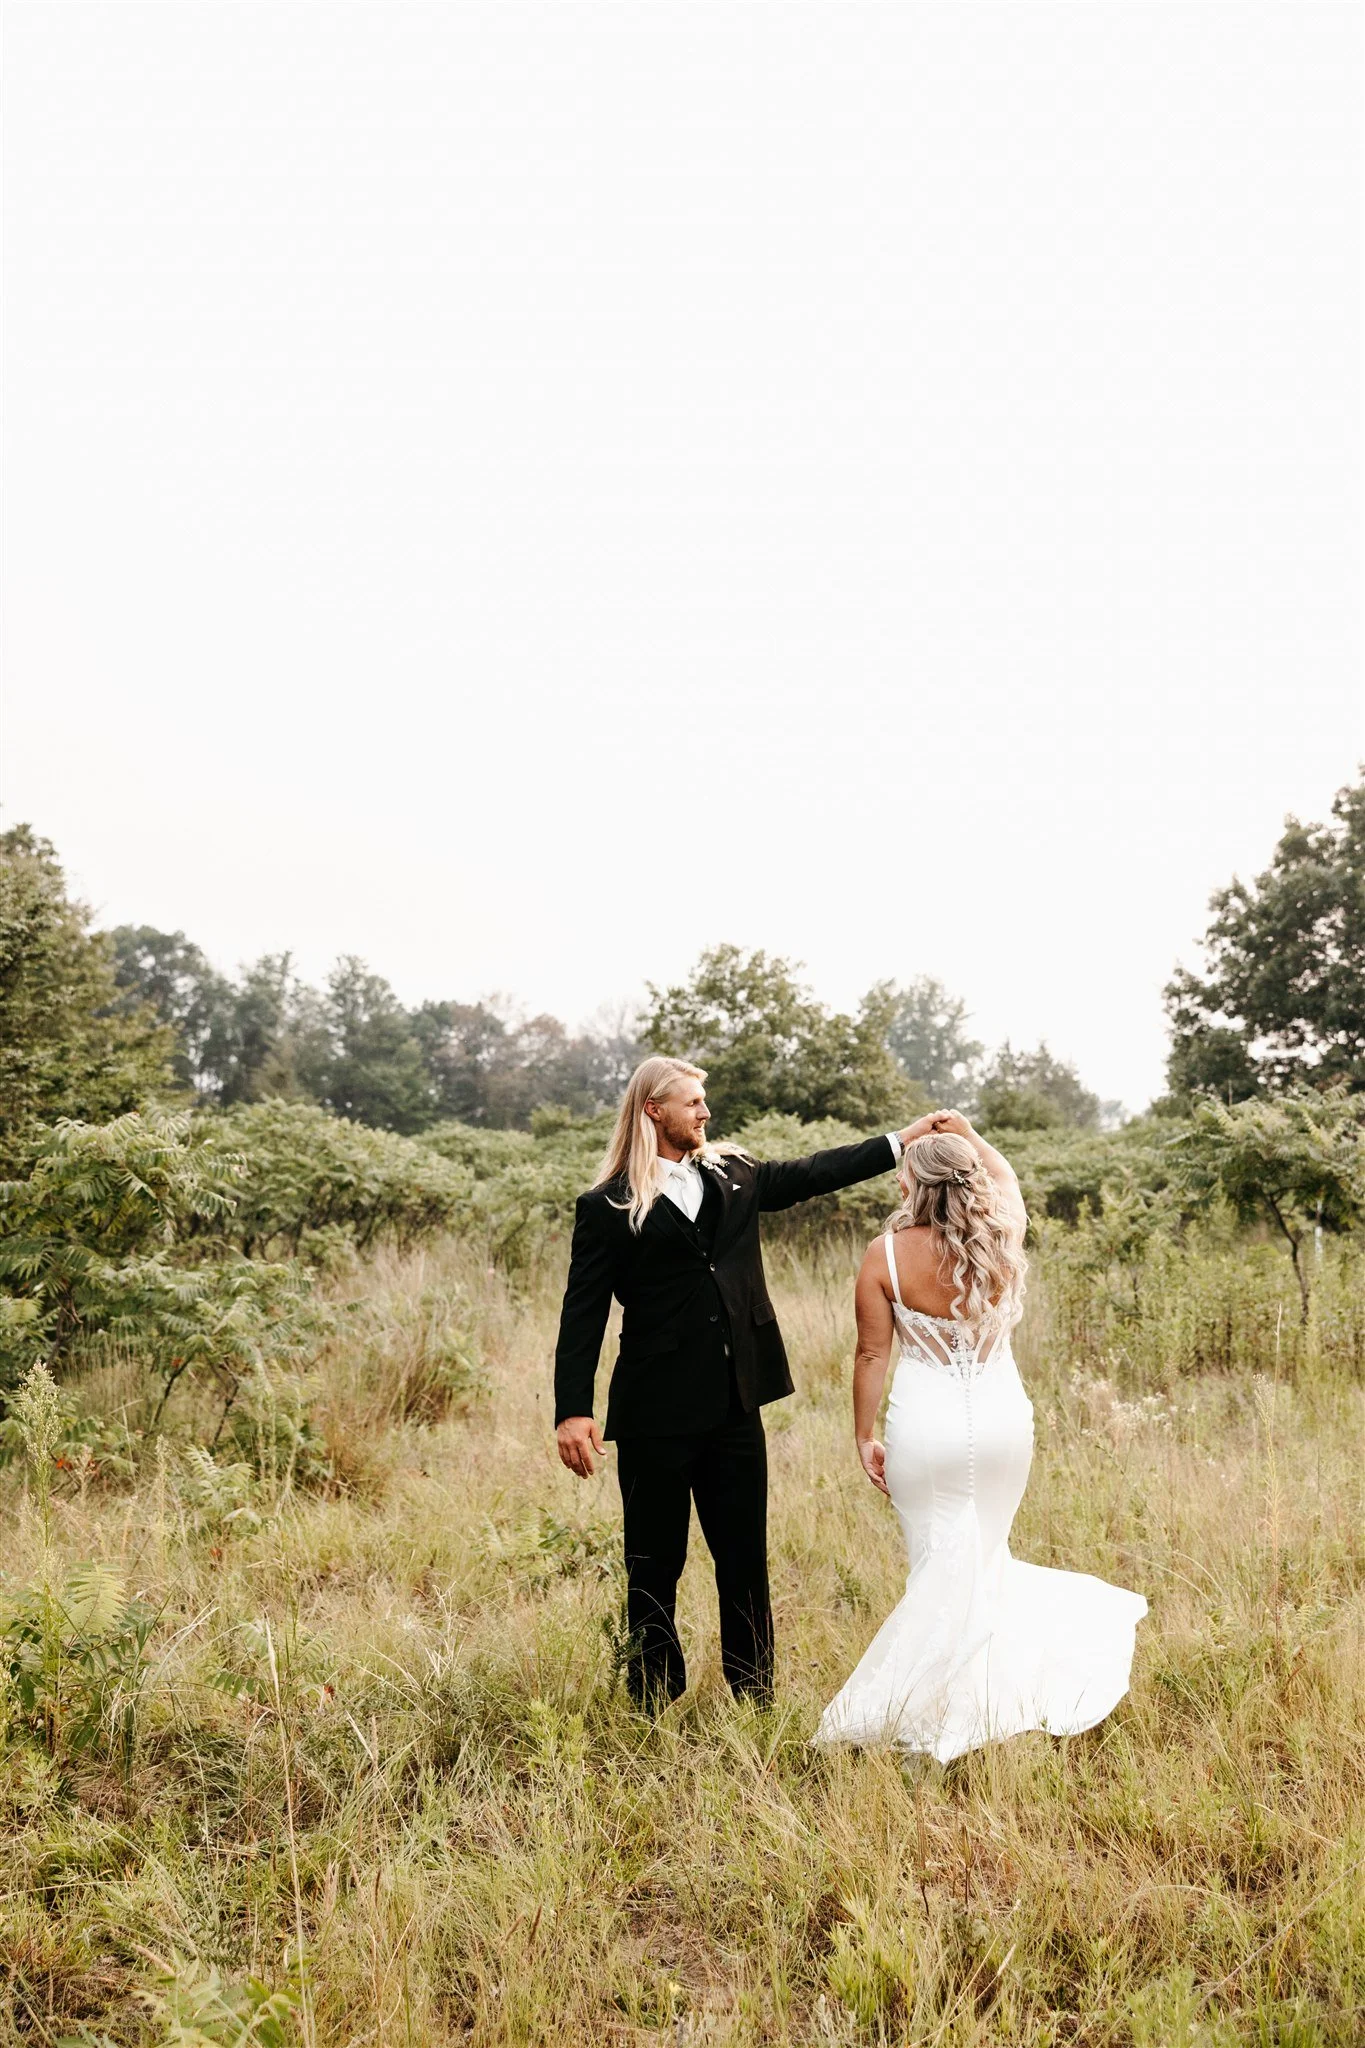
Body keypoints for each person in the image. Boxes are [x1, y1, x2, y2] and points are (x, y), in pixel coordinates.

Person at [554, 1054, 925, 1709]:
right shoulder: (606, 1206)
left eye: (702, 1102)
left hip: (734, 1406)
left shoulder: (735, 1173)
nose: (703, 1111)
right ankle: (651, 1703)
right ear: (653, 1111)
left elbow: (812, 1173)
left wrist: (900, 1140)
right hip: (652, 1415)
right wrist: (571, 1410)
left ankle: (755, 1698)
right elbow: (582, 1314)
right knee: (652, 1566)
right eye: (691, 1101)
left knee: (743, 1562)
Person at [814, 1110, 1146, 1758]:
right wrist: (968, 1133)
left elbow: (868, 1356)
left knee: (936, 1569)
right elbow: (1008, 1176)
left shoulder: (882, 1255)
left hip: (925, 1432)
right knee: (982, 1565)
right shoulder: (1004, 1234)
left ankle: (929, 1718)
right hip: (1001, 1427)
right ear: (969, 1182)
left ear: (910, 1182)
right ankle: (972, 1705)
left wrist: (861, 1437)